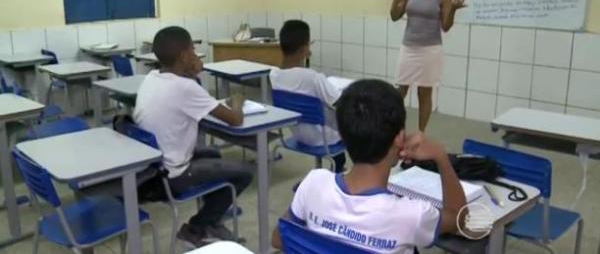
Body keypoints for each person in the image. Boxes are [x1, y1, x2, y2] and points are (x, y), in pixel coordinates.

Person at [271, 79, 467, 254]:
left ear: (343, 133)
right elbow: (461, 218)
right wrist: (441, 156)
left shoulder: (314, 182)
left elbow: (279, 239)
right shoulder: (411, 215)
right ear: (399, 138)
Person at [134, 26, 253, 247]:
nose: (197, 54)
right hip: (172, 175)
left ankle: (211, 219)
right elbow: (236, 119)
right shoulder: (185, 87)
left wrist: (194, 72)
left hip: (152, 168)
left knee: (213, 152)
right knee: (245, 172)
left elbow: (191, 100)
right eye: (193, 50)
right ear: (184, 55)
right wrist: (237, 102)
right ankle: (195, 229)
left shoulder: (152, 77)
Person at [390, 0, 467, 132]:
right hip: (408, 47)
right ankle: (396, 130)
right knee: (400, 91)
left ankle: (421, 134)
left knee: (424, 93)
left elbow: (446, 26)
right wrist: (395, 1)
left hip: (430, 50)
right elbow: (394, 16)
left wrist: (453, 9)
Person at [269, 19, 346, 172]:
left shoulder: (274, 75)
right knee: (352, 122)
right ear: (304, 50)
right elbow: (340, 102)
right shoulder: (312, 78)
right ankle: (338, 172)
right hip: (322, 139)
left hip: (297, 134)